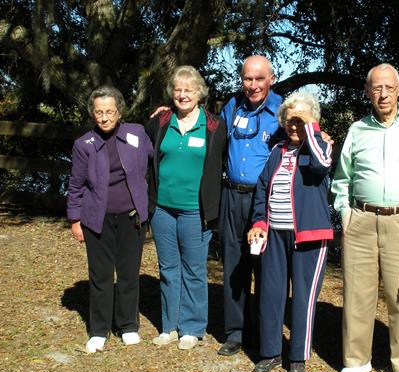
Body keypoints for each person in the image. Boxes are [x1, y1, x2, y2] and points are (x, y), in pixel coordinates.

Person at [331, 63, 399, 372]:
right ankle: (356, 360)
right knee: (357, 291)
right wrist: (345, 213)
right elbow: (342, 177)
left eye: (389, 87)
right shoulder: (357, 129)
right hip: (361, 219)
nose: (383, 94)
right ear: (367, 92)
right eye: (376, 88)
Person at [247, 93, 333, 372]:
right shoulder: (277, 152)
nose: (294, 126)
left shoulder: (320, 146)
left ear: (311, 121)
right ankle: (270, 352)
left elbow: (320, 166)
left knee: (304, 298)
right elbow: (262, 189)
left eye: (300, 121)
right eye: (289, 121)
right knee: (270, 294)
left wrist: (312, 129)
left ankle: (298, 357)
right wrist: (259, 221)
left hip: (309, 236)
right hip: (274, 235)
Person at [145, 66, 226, 350]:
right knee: (168, 268)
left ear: (199, 93)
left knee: (193, 269)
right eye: (178, 90)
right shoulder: (160, 121)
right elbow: (144, 157)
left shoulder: (215, 126)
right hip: (163, 209)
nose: (182, 95)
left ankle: (191, 327)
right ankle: (169, 325)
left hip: (196, 210)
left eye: (188, 90)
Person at [67, 85, 152, 353]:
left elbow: (154, 160)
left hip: (131, 218)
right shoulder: (84, 145)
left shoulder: (136, 133)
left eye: (110, 111)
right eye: (99, 112)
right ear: (93, 113)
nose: (104, 117)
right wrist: (75, 218)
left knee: (128, 274)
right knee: (101, 276)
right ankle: (99, 330)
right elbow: (76, 184)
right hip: (97, 220)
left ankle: (128, 325)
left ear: (119, 112)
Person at [217, 55, 283, 356]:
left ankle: (262, 332)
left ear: (271, 78)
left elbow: (303, 139)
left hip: (264, 200)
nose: (253, 85)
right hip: (231, 196)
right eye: (247, 78)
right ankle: (235, 331)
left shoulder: (283, 111)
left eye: (259, 79)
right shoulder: (232, 107)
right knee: (234, 263)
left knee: (264, 268)